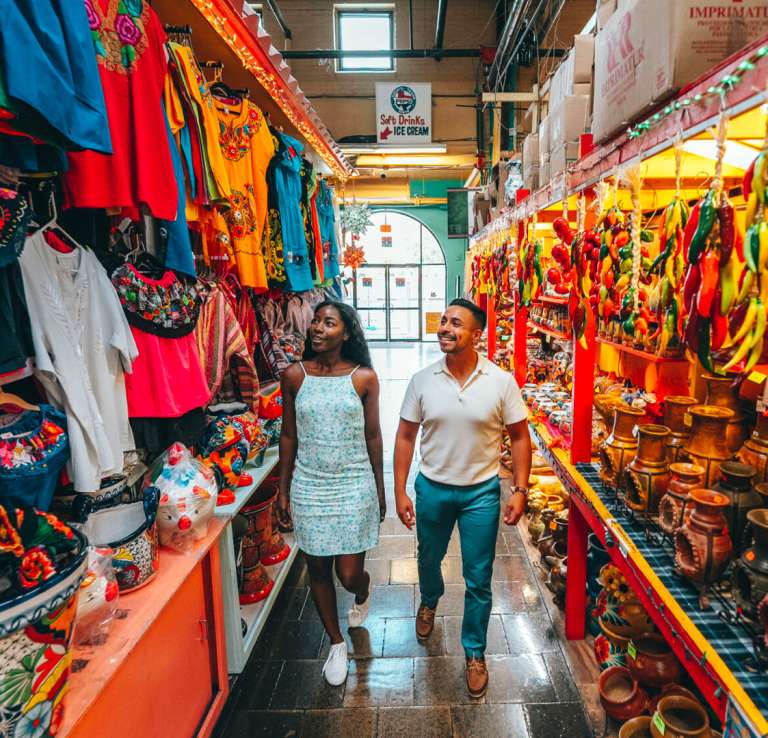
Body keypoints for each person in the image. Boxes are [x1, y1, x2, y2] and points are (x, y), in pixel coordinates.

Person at [393, 298, 531, 699]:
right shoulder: (422, 379)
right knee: (427, 559)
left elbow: (520, 437)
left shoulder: (501, 381)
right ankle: (430, 600)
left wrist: (520, 489)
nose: (445, 328)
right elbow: (405, 436)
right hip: (432, 489)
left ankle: (474, 651)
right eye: (443, 321)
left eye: (456, 323)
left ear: (477, 334)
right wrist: (401, 489)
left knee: (478, 577)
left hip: (481, 495)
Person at [276, 300, 385, 687]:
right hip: (309, 485)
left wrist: (380, 488)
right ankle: (336, 643)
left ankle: (363, 590)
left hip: (354, 484)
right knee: (318, 569)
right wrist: (283, 490)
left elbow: (373, 436)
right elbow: (288, 436)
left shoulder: (363, 378)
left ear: (347, 333)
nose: (317, 328)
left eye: (329, 323)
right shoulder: (294, 376)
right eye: (316, 322)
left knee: (348, 572)